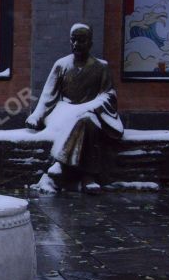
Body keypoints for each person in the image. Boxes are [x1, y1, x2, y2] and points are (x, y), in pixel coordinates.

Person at [26, 23, 124, 192]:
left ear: (90, 43)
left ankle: (62, 165)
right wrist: (37, 115)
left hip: (90, 113)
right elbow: (48, 95)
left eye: (82, 40)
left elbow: (108, 95)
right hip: (62, 111)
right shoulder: (61, 65)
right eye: (74, 40)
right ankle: (88, 177)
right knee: (82, 121)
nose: (77, 44)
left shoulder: (101, 67)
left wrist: (91, 106)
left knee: (87, 122)